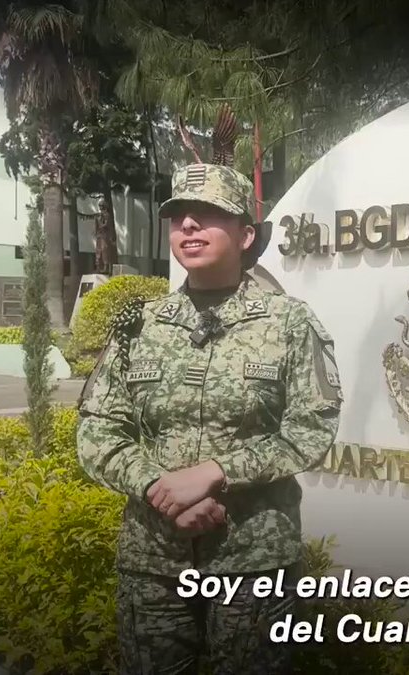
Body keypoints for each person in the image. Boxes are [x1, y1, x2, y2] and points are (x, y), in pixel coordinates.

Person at [76, 160, 343, 675]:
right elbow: (98, 429)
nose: (189, 224)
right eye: (178, 215)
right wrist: (159, 488)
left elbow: (311, 429)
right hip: (153, 557)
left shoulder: (289, 323)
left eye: (209, 213)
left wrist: (214, 473)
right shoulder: (140, 326)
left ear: (246, 235)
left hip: (253, 559)